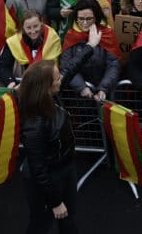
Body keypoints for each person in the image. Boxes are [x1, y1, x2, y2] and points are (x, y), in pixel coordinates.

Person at [17, 59, 86, 233]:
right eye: (57, 78)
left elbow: (70, 69)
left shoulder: (50, 95)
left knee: (68, 218)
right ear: (45, 86)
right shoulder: (34, 124)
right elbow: (38, 169)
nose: (61, 79)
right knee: (41, 223)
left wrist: (90, 47)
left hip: (65, 168)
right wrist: (55, 202)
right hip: (47, 179)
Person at [60, 0, 120, 102]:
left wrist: (103, 88)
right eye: (80, 19)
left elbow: (113, 64)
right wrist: (81, 87)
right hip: (78, 96)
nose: (84, 23)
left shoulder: (107, 34)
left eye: (89, 19)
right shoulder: (71, 35)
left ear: (96, 18)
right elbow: (67, 65)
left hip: (104, 94)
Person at [0, 10, 62, 86]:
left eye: (36, 26)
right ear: (23, 27)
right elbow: (2, 67)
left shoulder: (53, 38)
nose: (33, 31)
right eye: (28, 28)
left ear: (41, 23)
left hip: (47, 86)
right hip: (21, 85)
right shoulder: (14, 42)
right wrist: (11, 82)